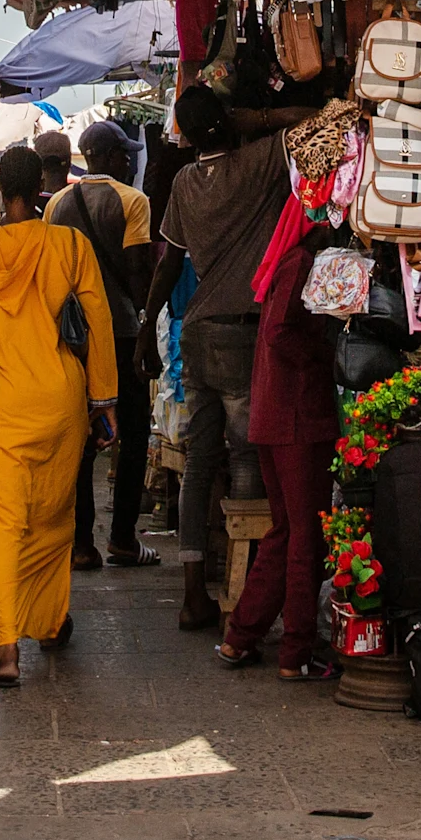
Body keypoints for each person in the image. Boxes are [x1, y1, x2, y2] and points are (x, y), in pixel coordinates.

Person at [0, 144, 116, 687]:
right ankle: (48, 622)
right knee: (53, 513)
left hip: (3, 402)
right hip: (62, 400)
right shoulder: (69, 245)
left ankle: (7, 653)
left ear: (0, 191)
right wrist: (104, 398)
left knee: (5, 524)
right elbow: (98, 320)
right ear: (43, 186)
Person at [156, 84, 287, 634]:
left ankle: (193, 595)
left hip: (198, 333)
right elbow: (320, 118)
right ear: (228, 120)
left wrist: (146, 331)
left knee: (199, 463)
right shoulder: (259, 163)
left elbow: (168, 265)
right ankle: (244, 590)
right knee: (246, 458)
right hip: (241, 332)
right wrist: (258, 113)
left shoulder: (185, 183)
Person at [218, 189, 336, 677]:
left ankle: (242, 636)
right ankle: (297, 653)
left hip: (278, 414)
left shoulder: (288, 261)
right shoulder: (301, 263)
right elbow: (282, 333)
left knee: (286, 531)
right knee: (304, 535)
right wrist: (326, 352)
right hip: (296, 416)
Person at [49, 120, 158, 571]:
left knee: (81, 440)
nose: (130, 160)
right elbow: (137, 271)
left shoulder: (55, 203)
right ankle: (123, 540)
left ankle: (81, 544)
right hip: (121, 333)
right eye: (125, 153)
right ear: (110, 156)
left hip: (74, 339)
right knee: (131, 436)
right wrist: (148, 328)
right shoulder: (133, 201)